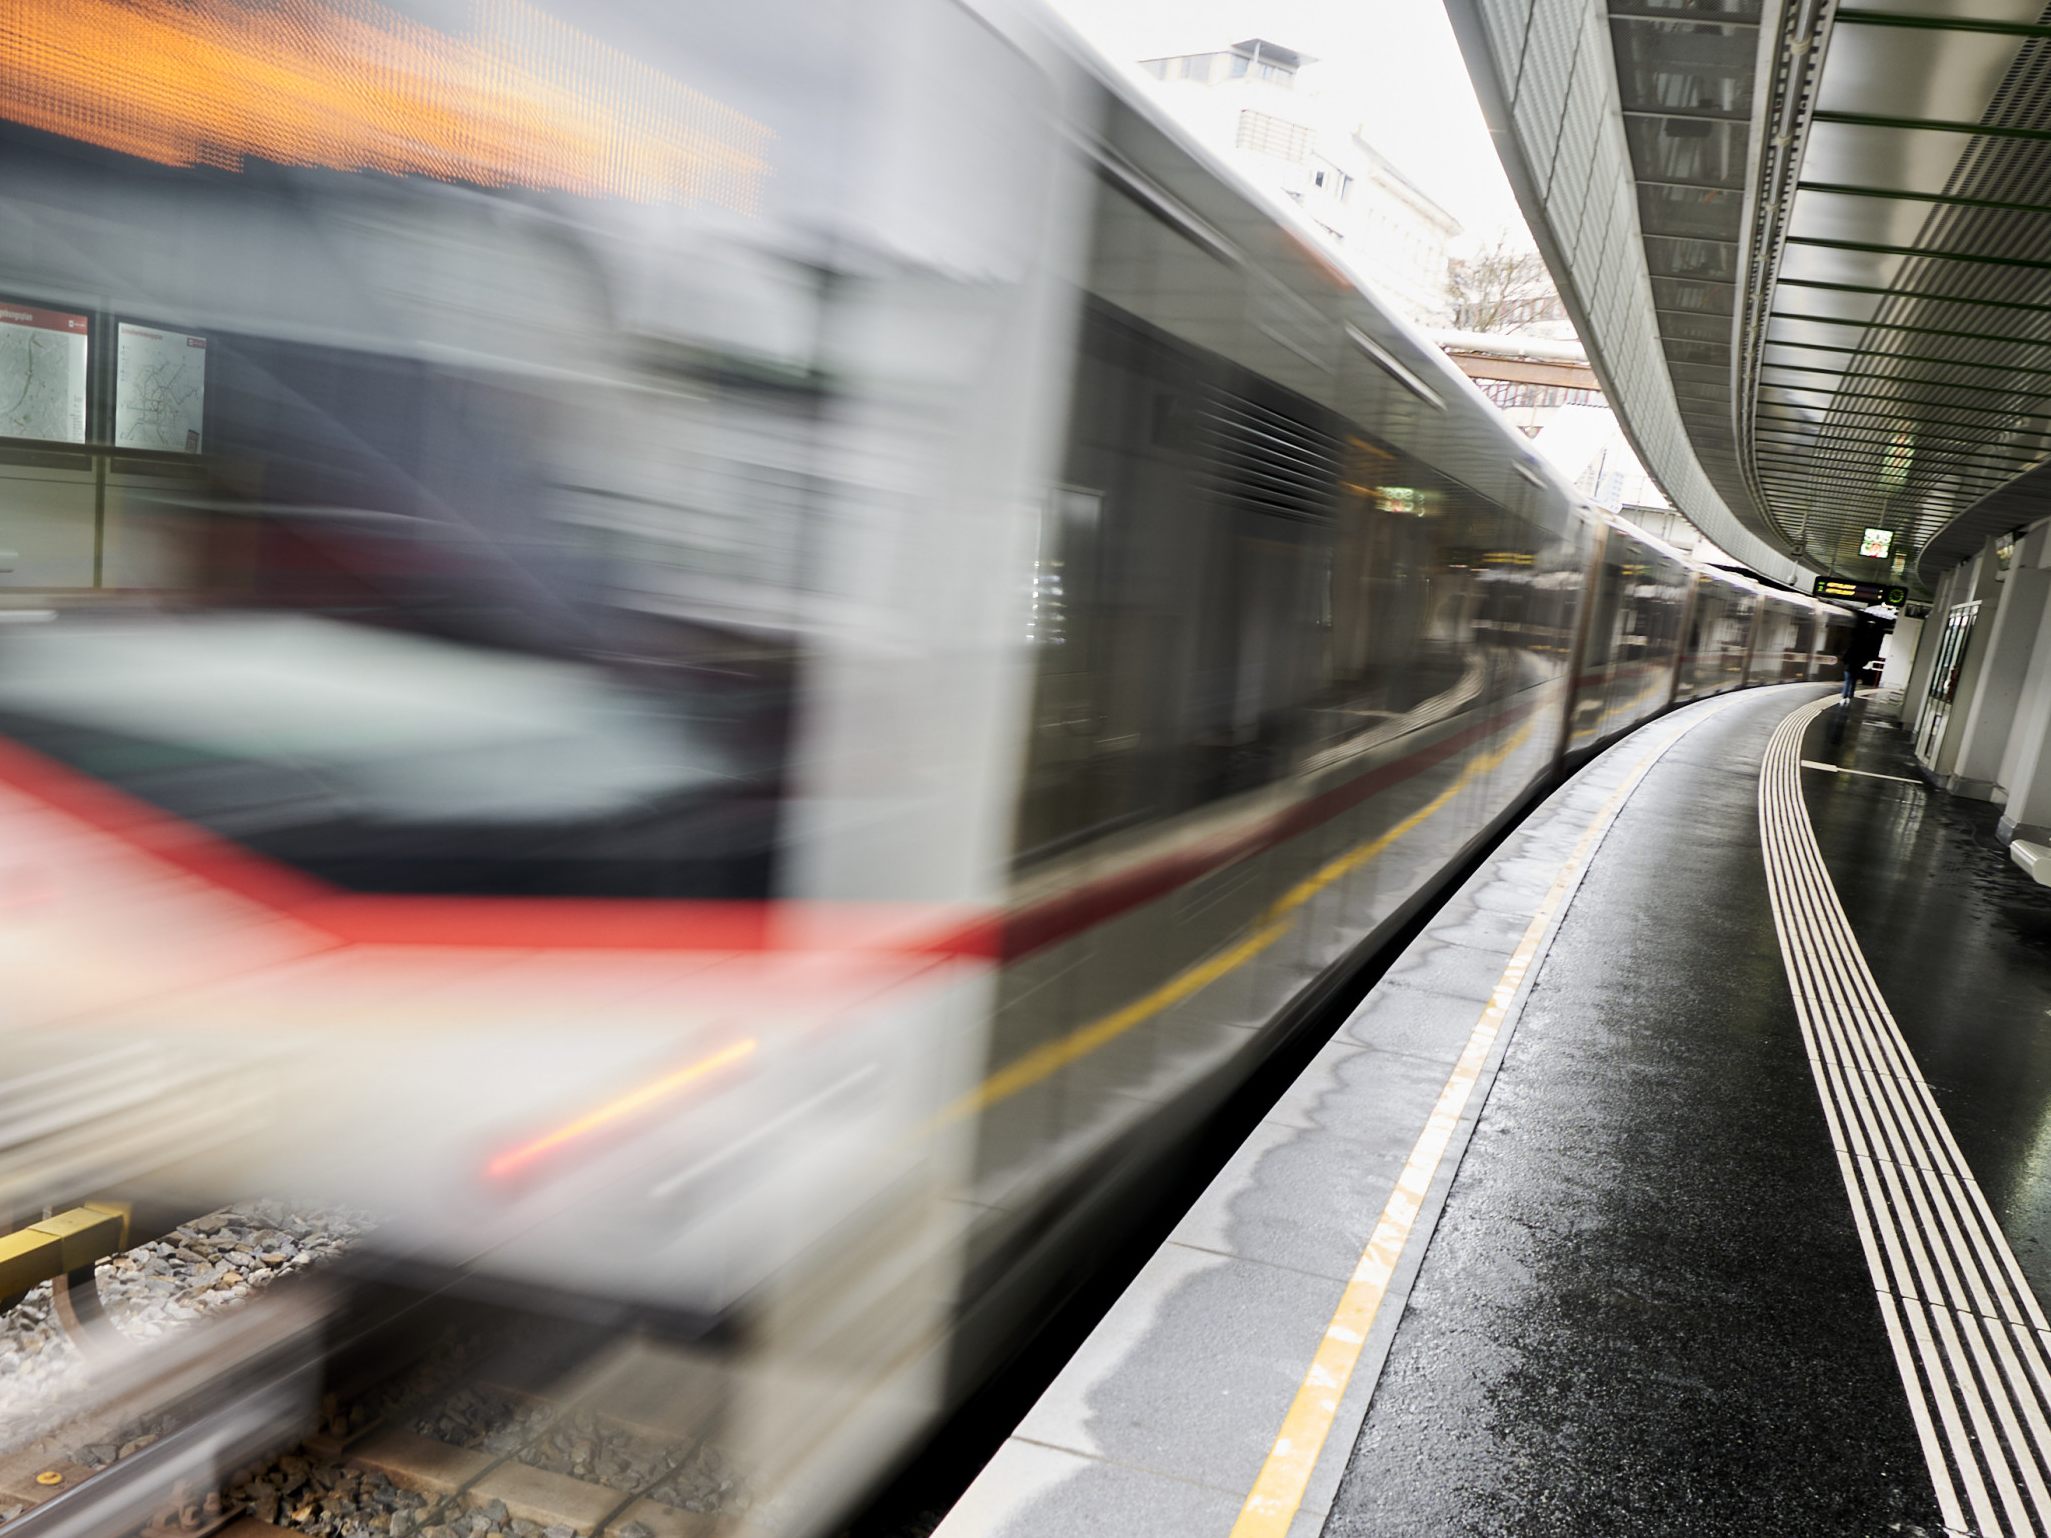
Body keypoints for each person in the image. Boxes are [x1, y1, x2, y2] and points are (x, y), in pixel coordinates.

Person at [1838, 613, 1888, 702]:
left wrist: (1845, 663)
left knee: (1847, 681)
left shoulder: (1850, 649)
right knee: (1853, 682)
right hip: (1857, 668)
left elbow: (1845, 657)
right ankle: (1850, 695)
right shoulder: (1862, 650)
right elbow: (1865, 658)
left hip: (1848, 667)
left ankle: (1844, 696)